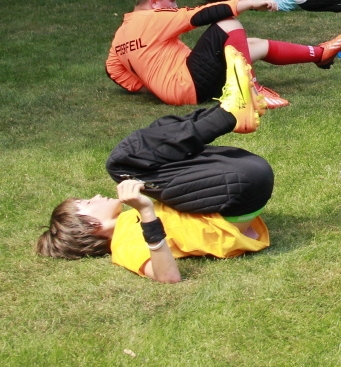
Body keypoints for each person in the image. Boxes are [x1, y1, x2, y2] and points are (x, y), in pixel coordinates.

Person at [36, 63, 272, 281]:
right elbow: (168, 277)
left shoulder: (126, 220)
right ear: (90, 226)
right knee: (123, 164)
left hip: (243, 179)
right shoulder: (122, 245)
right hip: (239, 195)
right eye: (88, 202)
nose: (96, 196)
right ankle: (228, 114)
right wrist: (146, 210)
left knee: (156, 145)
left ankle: (231, 110)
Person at [107, 0, 341, 109]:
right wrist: (251, 3)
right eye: (172, 1)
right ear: (154, 2)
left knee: (247, 45)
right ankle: (252, 92)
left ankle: (319, 54)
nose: (175, 6)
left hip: (185, 88)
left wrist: (153, 84)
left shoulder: (120, 36)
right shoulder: (154, 18)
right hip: (190, 83)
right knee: (227, 23)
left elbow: (114, 72)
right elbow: (202, 13)